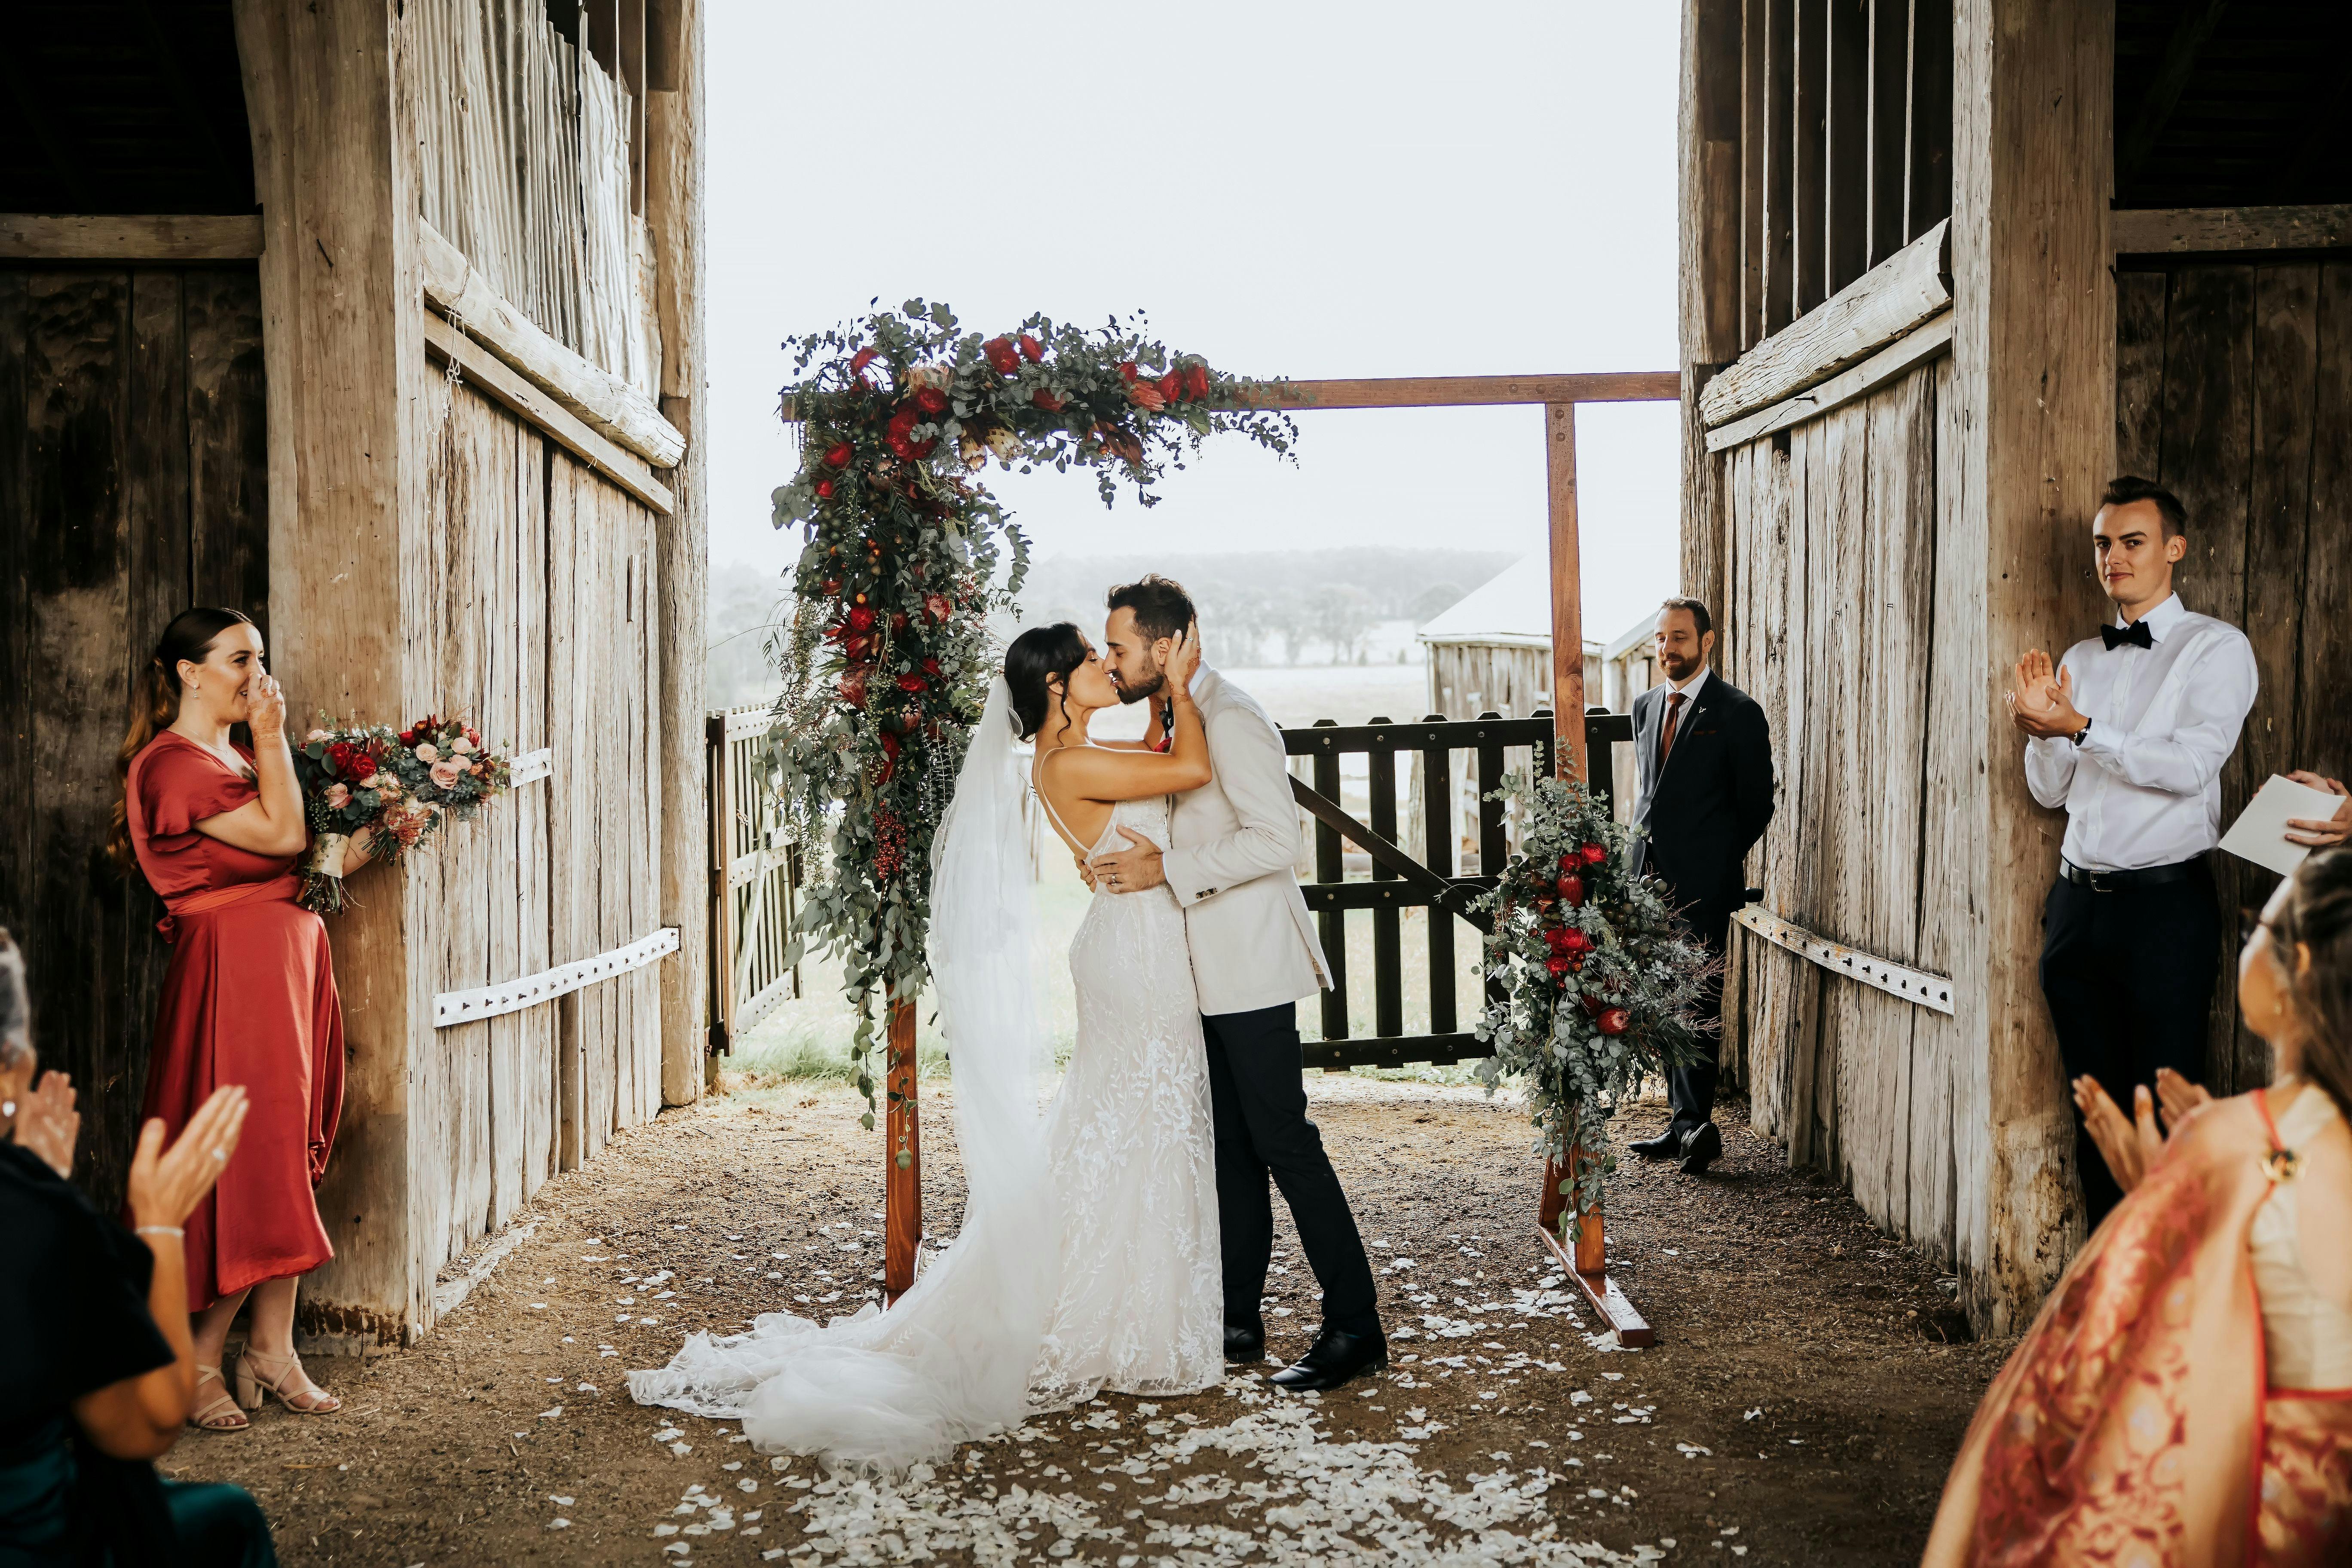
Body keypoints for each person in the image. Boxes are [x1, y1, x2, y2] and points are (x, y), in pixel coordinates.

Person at [629, 622, 1228, 1467]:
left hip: (1137, 946)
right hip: (1135, 959)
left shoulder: (1088, 748)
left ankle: (1140, 1316)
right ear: (1056, 687)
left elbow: (1163, 779)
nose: (1105, 665)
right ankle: (1117, 1322)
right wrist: (1181, 678)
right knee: (1137, 1126)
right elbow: (1192, 771)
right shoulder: (1071, 762)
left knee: (1127, 1131)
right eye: (1090, 660)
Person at [1922, 850, 2352, 1566]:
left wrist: (2152, 1194)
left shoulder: (2231, 1143)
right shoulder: (2245, 1144)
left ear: (2297, 969)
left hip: (2259, 1511)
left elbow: (2085, 1364)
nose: (2247, 940)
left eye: (2258, 930)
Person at [1085, 575, 1386, 1392]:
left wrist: (1165, 870)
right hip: (1193, 978)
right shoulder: (1171, 717)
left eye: (1119, 647)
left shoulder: (1233, 717)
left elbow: (1276, 841)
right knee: (1230, 1152)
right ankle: (1237, 1317)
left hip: (1250, 970)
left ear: (1169, 641)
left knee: (1286, 1143)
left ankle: (1356, 1325)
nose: (1111, 662)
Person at [108, 608, 374, 1432]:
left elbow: (293, 853)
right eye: (238, 659)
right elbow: (286, 832)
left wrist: (384, 825)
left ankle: (273, 1348)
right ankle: (194, 1361)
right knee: (245, 1154)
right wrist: (272, 734)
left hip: (285, 966)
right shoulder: (171, 767)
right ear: (188, 672)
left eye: (261, 657)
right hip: (233, 977)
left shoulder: (230, 754)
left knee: (287, 1148)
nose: (257, 675)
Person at [2008, 475, 2259, 1227]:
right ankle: (2106, 1296)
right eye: (2103, 544)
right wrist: (2041, 732)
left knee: (2165, 1111)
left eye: (2132, 542)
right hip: (2076, 909)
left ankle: (2175, 1299)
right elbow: (2052, 793)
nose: (2113, 558)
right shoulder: (2084, 654)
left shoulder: (2216, 648)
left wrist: (2079, 727)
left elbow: (2188, 768)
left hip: (2164, 910)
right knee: (2096, 1112)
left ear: (2174, 549)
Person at [0, 930, 277, 1565]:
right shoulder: (42, 1219)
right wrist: (158, 1225)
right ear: (15, 1066)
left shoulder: (39, 1209)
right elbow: (144, 1425)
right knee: (228, 1518)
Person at [1622, 597, 1774, 1175]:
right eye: (1661, 639)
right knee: (1665, 1002)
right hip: (1649, 881)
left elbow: (1756, 806)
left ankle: (1696, 1128)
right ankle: (1680, 1124)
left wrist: (1714, 861)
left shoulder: (1737, 712)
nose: (1668, 649)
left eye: (1680, 638)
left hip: (1703, 884)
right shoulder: (1644, 707)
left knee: (1698, 1002)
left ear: (1707, 643)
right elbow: (1650, 797)